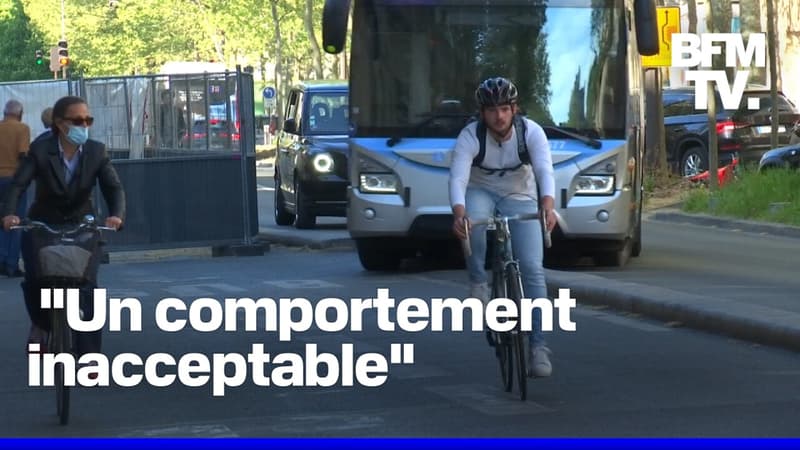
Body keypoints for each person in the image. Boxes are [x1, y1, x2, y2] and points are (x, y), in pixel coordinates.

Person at [1, 95, 125, 361]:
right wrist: (10, 214)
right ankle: (40, 325)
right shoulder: (39, 149)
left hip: (82, 223)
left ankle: (90, 356)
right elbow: (18, 184)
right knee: (35, 281)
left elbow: (112, 187)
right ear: (59, 123)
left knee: (88, 287)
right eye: (77, 120)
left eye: (87, 120)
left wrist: (116, 215)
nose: (84, 125)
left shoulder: (96, 151)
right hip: (43, 222)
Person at [449, 77, 557, 377]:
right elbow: (458, 179)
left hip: (520, 192)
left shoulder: (531, 132)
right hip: (479, 189)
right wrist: (459, 214)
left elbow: (544, 170)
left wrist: (546, 205)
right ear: (482, 113)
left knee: (533, 268)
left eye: (505, 109)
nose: (499, 116)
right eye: (492, 110)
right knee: (473, 223)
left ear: (514, 109)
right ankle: (479, 282)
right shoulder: (470, 136)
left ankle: (538, 346)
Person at [0, 100, 31, 277]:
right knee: (15, 221)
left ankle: (1, 259)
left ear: (4, 113)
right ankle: (11, 264)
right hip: (14, 180)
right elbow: (23, 155)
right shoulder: (22, 129)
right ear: (20, 114)